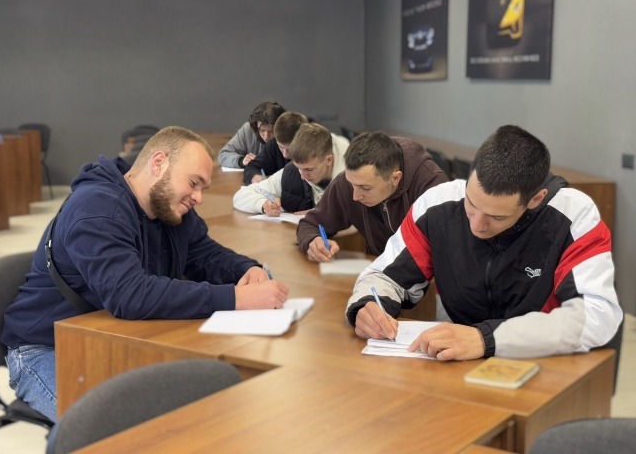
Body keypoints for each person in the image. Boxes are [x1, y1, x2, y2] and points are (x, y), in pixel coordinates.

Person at [1, 126, 289, 421]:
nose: (198, 197)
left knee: (196, 411)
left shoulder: (167, 206)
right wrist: (236, 298)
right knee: (113, 431)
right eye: (193, 183)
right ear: (158, 163)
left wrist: (246, 269)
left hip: (113, 335)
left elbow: (203, 252)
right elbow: (130, 295)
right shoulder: (97, 208)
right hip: (47, 348)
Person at [347, 125, 623, 361]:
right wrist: (367, 304)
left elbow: (597, 316)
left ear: (535, 199)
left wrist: (486, 339)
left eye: (497, 216)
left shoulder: (574, 217)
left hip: (539, 360)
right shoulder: (437, 205)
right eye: (471, 204)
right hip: (457, 362)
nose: (477, 226)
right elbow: (385, 276)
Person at [296, 131, 448, 261]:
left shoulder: (431, 186)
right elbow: (310, 224)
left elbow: (446, 251)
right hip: (377, 276)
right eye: (352, 185)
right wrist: (312, 241)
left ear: (395, 178)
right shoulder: (349, 181)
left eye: (366, 188)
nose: (355, 196)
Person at [233, 123, 349, 215]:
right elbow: (240, 196)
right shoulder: (291, 173)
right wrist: (263, 205)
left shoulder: (353, 178)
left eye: (309, 169)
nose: (302, 176)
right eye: (299, 168)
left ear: (328, 160)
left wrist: (325, 213)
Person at [243, 111, 307, 184]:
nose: (285, 155)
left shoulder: (312, 150)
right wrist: (255, 176)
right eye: (281, 147)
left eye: (290, 149)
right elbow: (252, 167)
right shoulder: (274, 144)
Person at [218, 100, 285, 168]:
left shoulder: (288, 132)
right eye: (262, 130)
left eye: (271, 131)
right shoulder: (248, 130)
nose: (266, 137)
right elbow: (223, 155)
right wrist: (241, 160)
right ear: (255, 125)